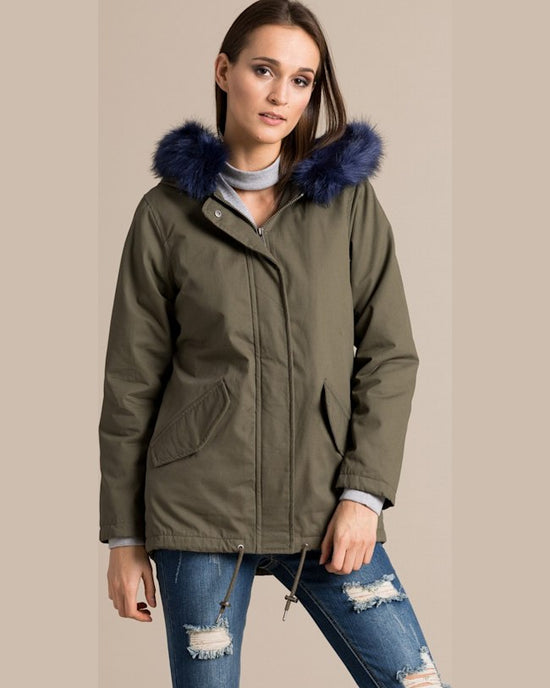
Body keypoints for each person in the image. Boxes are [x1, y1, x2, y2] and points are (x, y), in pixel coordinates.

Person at [99, 1, 451, 686]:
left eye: (301, 79)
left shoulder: (346, 205)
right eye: (264, 70)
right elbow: (131, 382)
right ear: (224, 71)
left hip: (323, 501)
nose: (281, 95)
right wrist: (123, 537)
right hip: (198, 510)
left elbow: (390, 355)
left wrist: (364, 496)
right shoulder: (165, 215)